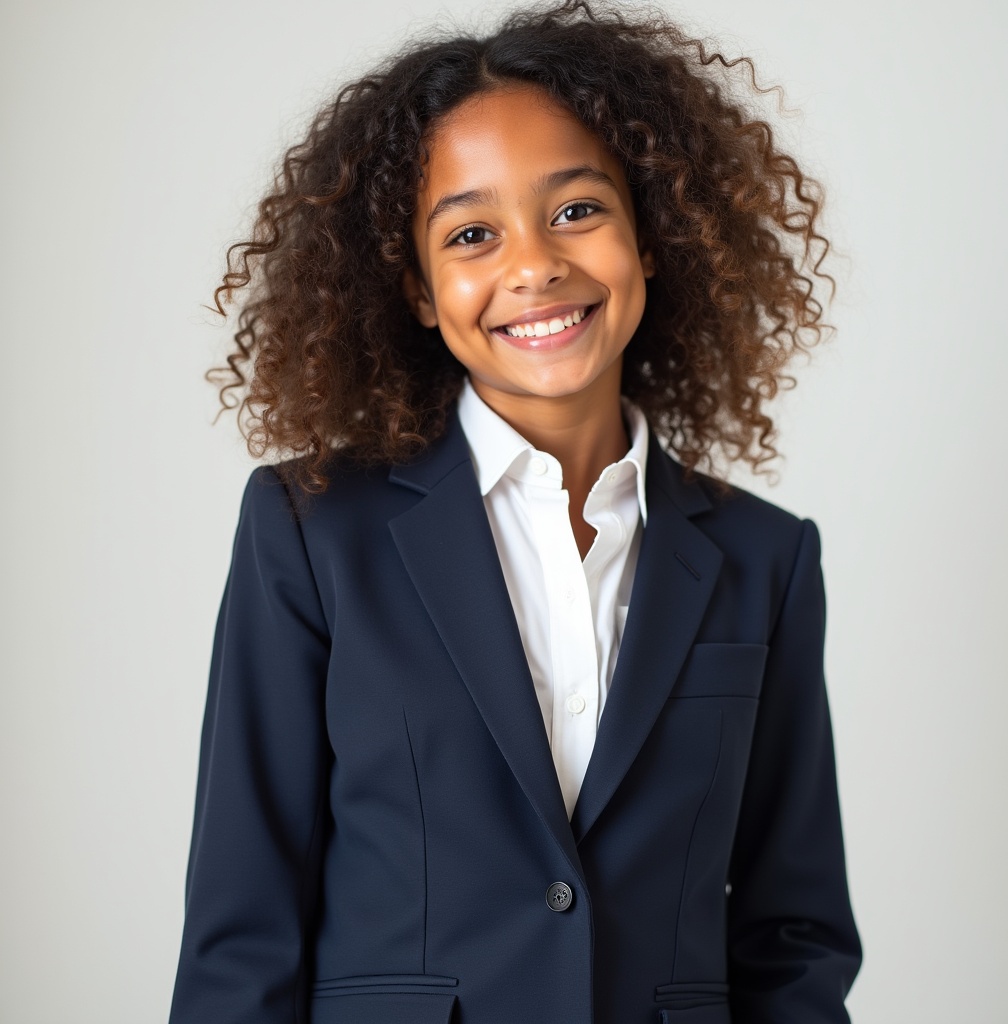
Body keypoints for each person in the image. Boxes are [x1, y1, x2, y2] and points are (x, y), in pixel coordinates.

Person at [168, 2, 861, 1022]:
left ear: (651, 235)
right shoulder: (312, 533)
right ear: (418, 289)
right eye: (472, 234)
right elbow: (242, 929)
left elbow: (792, 936)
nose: (533, 265)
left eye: (577, 210)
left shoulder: (765, 559)